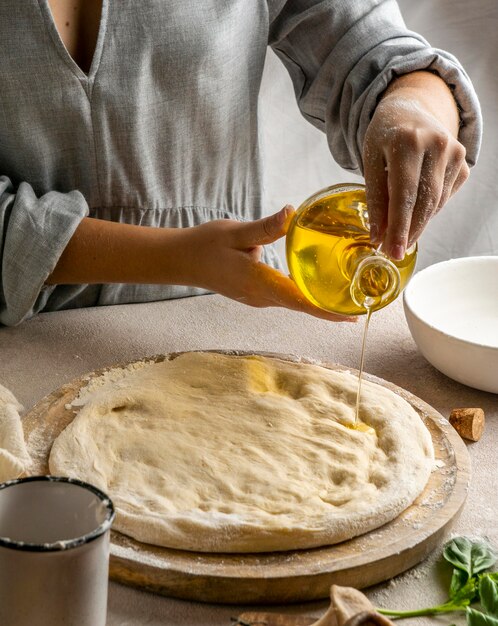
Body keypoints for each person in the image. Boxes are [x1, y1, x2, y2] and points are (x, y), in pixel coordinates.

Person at [0, 0, 481, 326]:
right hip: (20, 336)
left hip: (235, 317)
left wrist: (412, 105)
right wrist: (178, 259)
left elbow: (368, 43)